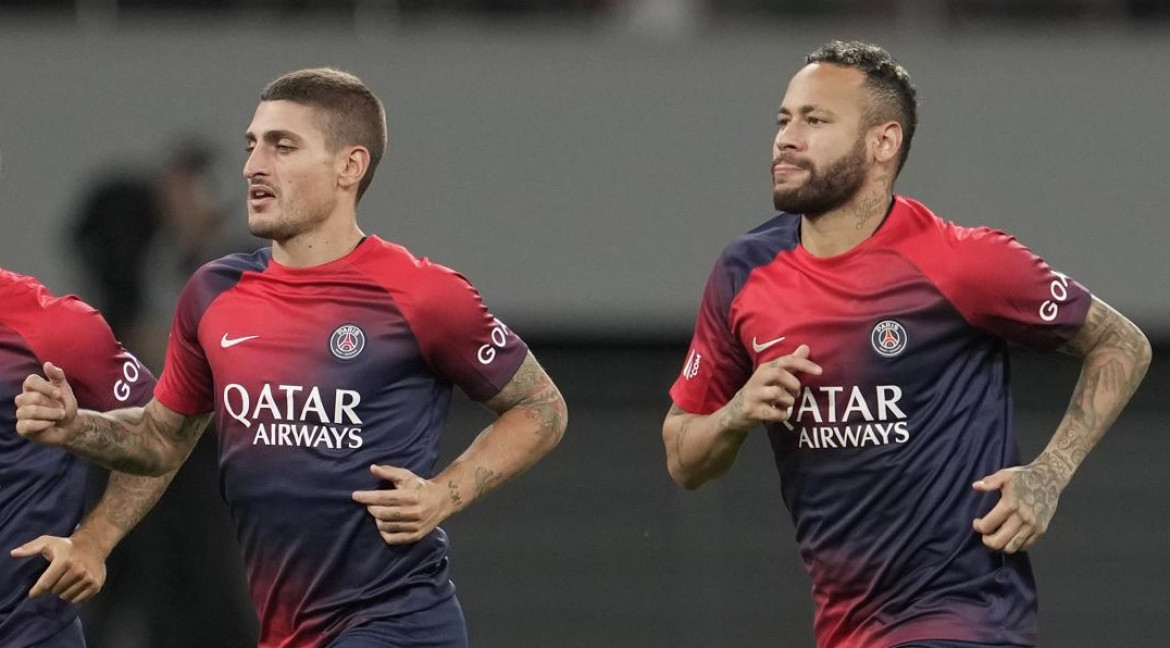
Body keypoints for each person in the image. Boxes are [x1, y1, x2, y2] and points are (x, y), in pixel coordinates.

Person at [16, 67, 568, 648]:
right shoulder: (213, 293)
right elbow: (160, 440)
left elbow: (541, 407)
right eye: (252, 145)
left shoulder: (422, 295)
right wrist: (76, 426)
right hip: (287, 631)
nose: (254, 166)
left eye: (283, 146)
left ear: (348, 167)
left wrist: (443, 494)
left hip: (398, 625)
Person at [661, 41, 1151, 648]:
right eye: (784, 119)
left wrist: (1049, 474)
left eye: (815, 120)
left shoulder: (963, 263)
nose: (787, 138)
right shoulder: (744, 272)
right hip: (848, 628)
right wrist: (735, 415)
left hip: (967, 618)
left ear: (883, 142)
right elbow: (684, 458)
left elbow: (1121, 344)